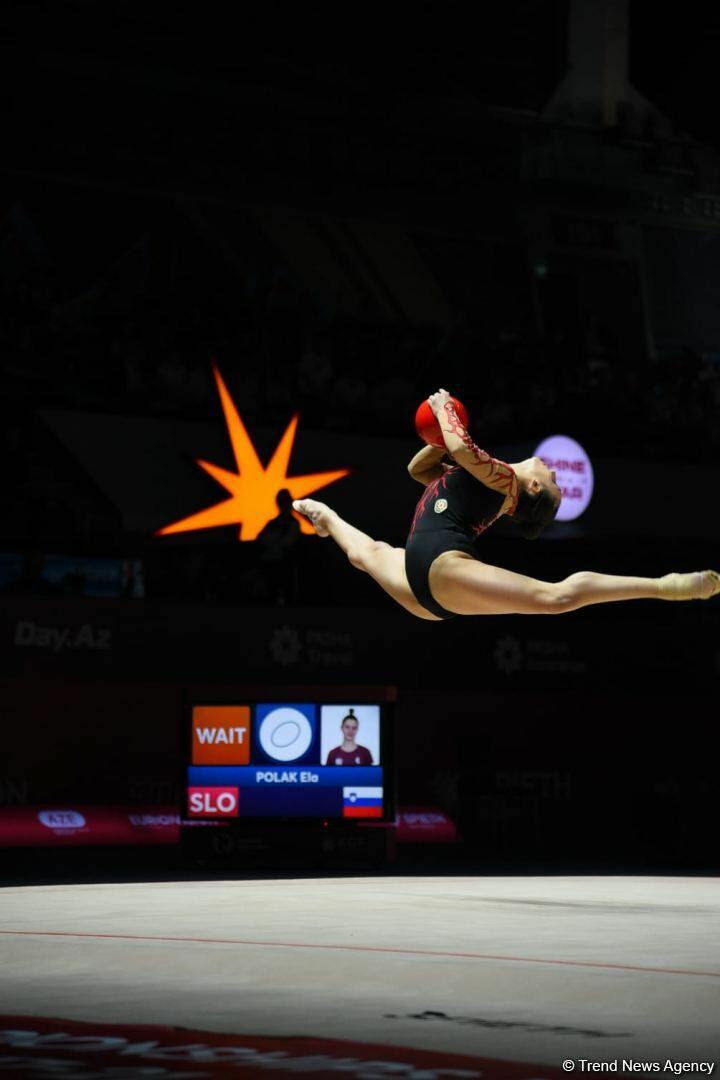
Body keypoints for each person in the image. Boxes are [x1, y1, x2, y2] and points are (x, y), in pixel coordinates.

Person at [294, 388, 720, 620]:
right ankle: (326, 517)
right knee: (366, 553)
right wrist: (443, 431)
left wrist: (445, 411)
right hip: (424, 593)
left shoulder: (508, 485)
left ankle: (665, 586)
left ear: (533, 488)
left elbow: (461, 450)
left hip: (442, 568)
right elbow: (418, 469)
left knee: (554, 598)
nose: (553, 472)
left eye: (553, 481)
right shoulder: (485, 481)